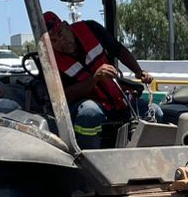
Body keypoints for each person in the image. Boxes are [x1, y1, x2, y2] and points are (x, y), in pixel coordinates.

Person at [43, 11, 156, 146]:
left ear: (66, 26)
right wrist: (94, 78)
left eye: (61, 34)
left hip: (115, 99)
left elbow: (117, 49)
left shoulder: (91, 28)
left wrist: (138, 71)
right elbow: (64, 96)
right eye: (53, 41)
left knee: (155, 112)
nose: (61, 42)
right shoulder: (48, 62)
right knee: (90, 113)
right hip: (83, 107)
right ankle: (85, 158)